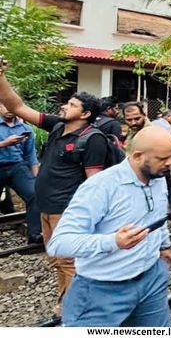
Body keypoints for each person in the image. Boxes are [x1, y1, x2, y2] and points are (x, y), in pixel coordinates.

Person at [0, 59, 107, 317]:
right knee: (56, 258)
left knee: (69, 261)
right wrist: (0, 75)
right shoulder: (57, 126)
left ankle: (74, 310)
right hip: (46, 207)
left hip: (66, 210)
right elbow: (17, 106)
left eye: (71, 104)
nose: (64, 106)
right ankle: (66, 302)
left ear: (85, 114)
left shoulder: (92, 140)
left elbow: (94, 183)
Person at [48, 127, 171, 327]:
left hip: (151, 279)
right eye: (163, 158)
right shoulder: (101, 187)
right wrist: (113, 241)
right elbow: (59, 243)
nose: (170, 163)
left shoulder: (157, 177)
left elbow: (157, 216)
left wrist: (164, 244)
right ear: (137, 156)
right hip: (102, 290)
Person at [0, 103, 42, 243]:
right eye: (5, 106)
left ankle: (34, 234)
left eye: (10, 105)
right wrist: (4, 143)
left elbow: (31, 155)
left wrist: (36, 177)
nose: (8, 109)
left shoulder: (25, 129)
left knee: (34, 193)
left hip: (17, 167)